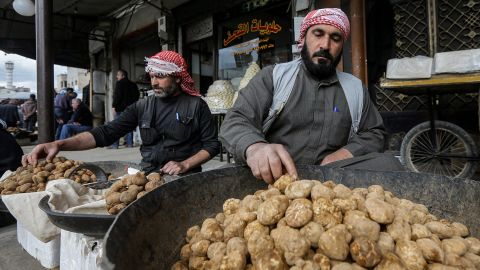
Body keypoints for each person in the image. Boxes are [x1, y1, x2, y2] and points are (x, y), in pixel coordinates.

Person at [219, 8, 403, 183]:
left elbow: (374, 133)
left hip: (331, 177)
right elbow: (236, 119)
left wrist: (345, 153)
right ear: (304, 38)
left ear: (341, 46)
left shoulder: (355, 89)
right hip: (276, 177)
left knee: (391, 164)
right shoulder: (274, 77)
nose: (325, 45)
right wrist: (255, 147)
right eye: (318, 34)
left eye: (335, 38)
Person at [23, 51, 220, 175]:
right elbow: (105, 133)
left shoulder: (196, 106)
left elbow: (212, 145)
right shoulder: (142, 106)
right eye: (152, 76)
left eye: (160, 76)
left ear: (178, 78)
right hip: (147, 175)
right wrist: (59, 144)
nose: (154, 82)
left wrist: (185, 164)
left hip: (185, 178)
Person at [109, 69, 139, 148]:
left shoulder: (119, 83)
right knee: (129, 126)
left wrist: (114, 106)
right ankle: (129, 144)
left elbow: (117, 96)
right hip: (131, 108)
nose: (116, 77)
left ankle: (115, 145)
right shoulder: (133, 84)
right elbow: (137, 96)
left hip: (120, 109)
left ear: (123, 76)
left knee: (117, 126)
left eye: (118, 75)